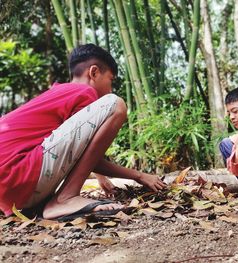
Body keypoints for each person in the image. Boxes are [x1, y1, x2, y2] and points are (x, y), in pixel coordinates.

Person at [0, 44, 166, 220]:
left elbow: (80, 148)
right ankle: (66, 198)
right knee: (115, 104)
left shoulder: (59, 92)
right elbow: (91, 157)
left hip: (10, 191)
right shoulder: (83, 91)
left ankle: (55, 202)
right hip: (17, 174)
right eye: (111, 80)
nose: (110, 89)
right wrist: (139, 176)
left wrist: (101, 178)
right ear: (94, 72)